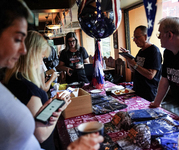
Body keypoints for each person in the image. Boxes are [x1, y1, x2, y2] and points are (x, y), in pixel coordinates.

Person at [0, 1, 103, 149]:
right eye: (17, 39)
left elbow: (27, 128)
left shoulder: (8, 83)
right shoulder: (26, 87)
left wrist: (52, 108)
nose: (23, 51)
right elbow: (39, 134)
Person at [4, 30, 71, 150]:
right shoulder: (29, 90)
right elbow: (41, 134)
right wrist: (59, 110)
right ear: (31, 54)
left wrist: (50, 106)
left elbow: (37, 118)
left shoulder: (12, 79)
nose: (42, 60)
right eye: (41, 55)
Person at [120, 25, 162, 102]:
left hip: (148, 94)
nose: (134, 40)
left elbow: (150, 75)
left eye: (137, 37)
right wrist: (128, 59)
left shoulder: (154, 51)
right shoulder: (141, 51)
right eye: (134, 37)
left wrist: (134, 64)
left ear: (145, 37)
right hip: (137, 90)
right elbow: (134, 70)